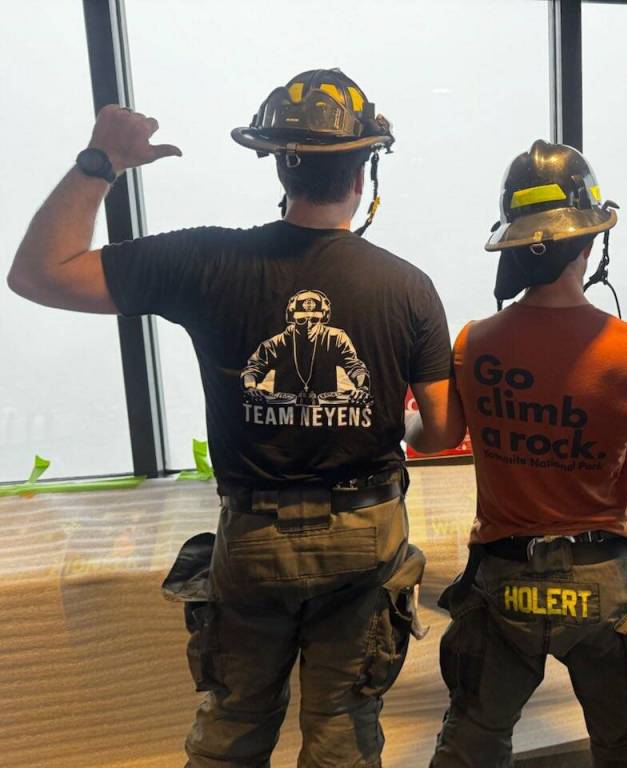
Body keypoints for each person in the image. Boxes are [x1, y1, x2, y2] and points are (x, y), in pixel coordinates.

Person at [7, 67, 463, 767]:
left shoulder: (205, 259)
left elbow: (38, 273)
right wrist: (386, 424)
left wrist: (101, 161)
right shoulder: (408, 286)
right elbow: (440, 431)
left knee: (234, 728)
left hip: (254, 539)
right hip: (364, 533)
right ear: (364, 169)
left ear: (280, 163)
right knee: (342, 728)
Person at [408, 140, 627, 768]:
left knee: (471, 746)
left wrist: (409, 428)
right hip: (605, 578)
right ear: (589, 245)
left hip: (502, 578)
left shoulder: (475, 342)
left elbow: (439, 435)